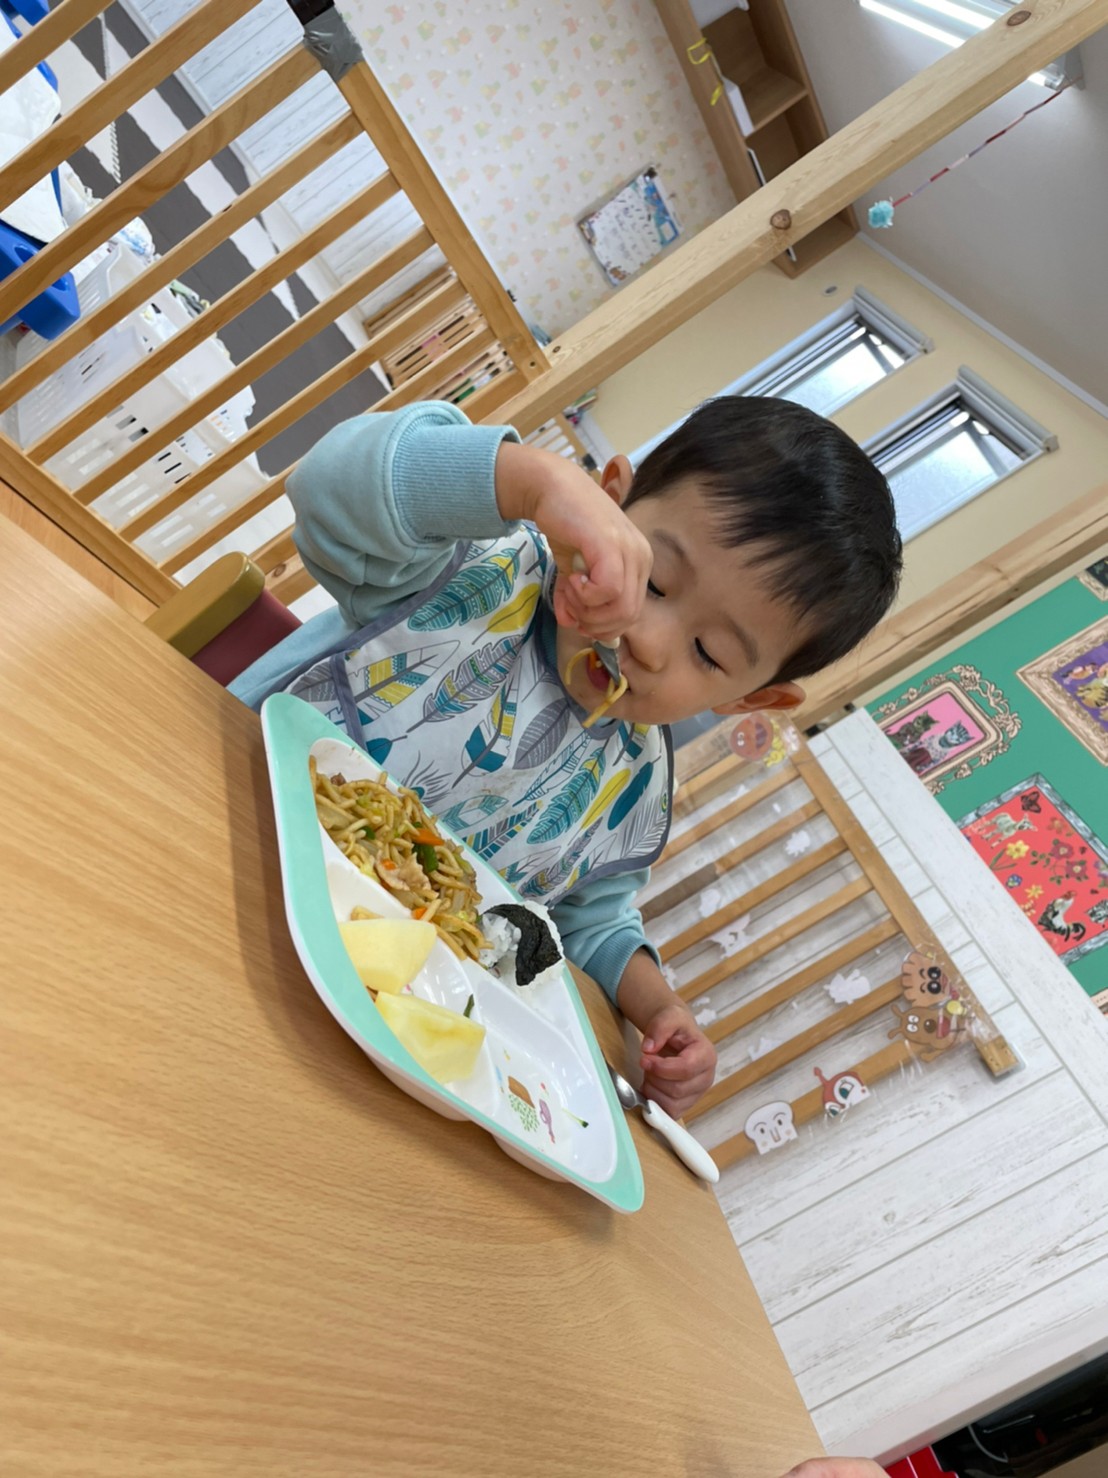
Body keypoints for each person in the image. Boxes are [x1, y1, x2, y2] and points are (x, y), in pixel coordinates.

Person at [233, 396, 901, 1118]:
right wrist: (531, 485)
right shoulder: (471, 569)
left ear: (751, 699)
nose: (648, 640)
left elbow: (590, 919)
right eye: (652, 579)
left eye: (708, 653)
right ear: (609, 503)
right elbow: (328, 487)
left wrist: (659, 1007)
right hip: (231, 832)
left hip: (367, 1004)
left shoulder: (633, 783)